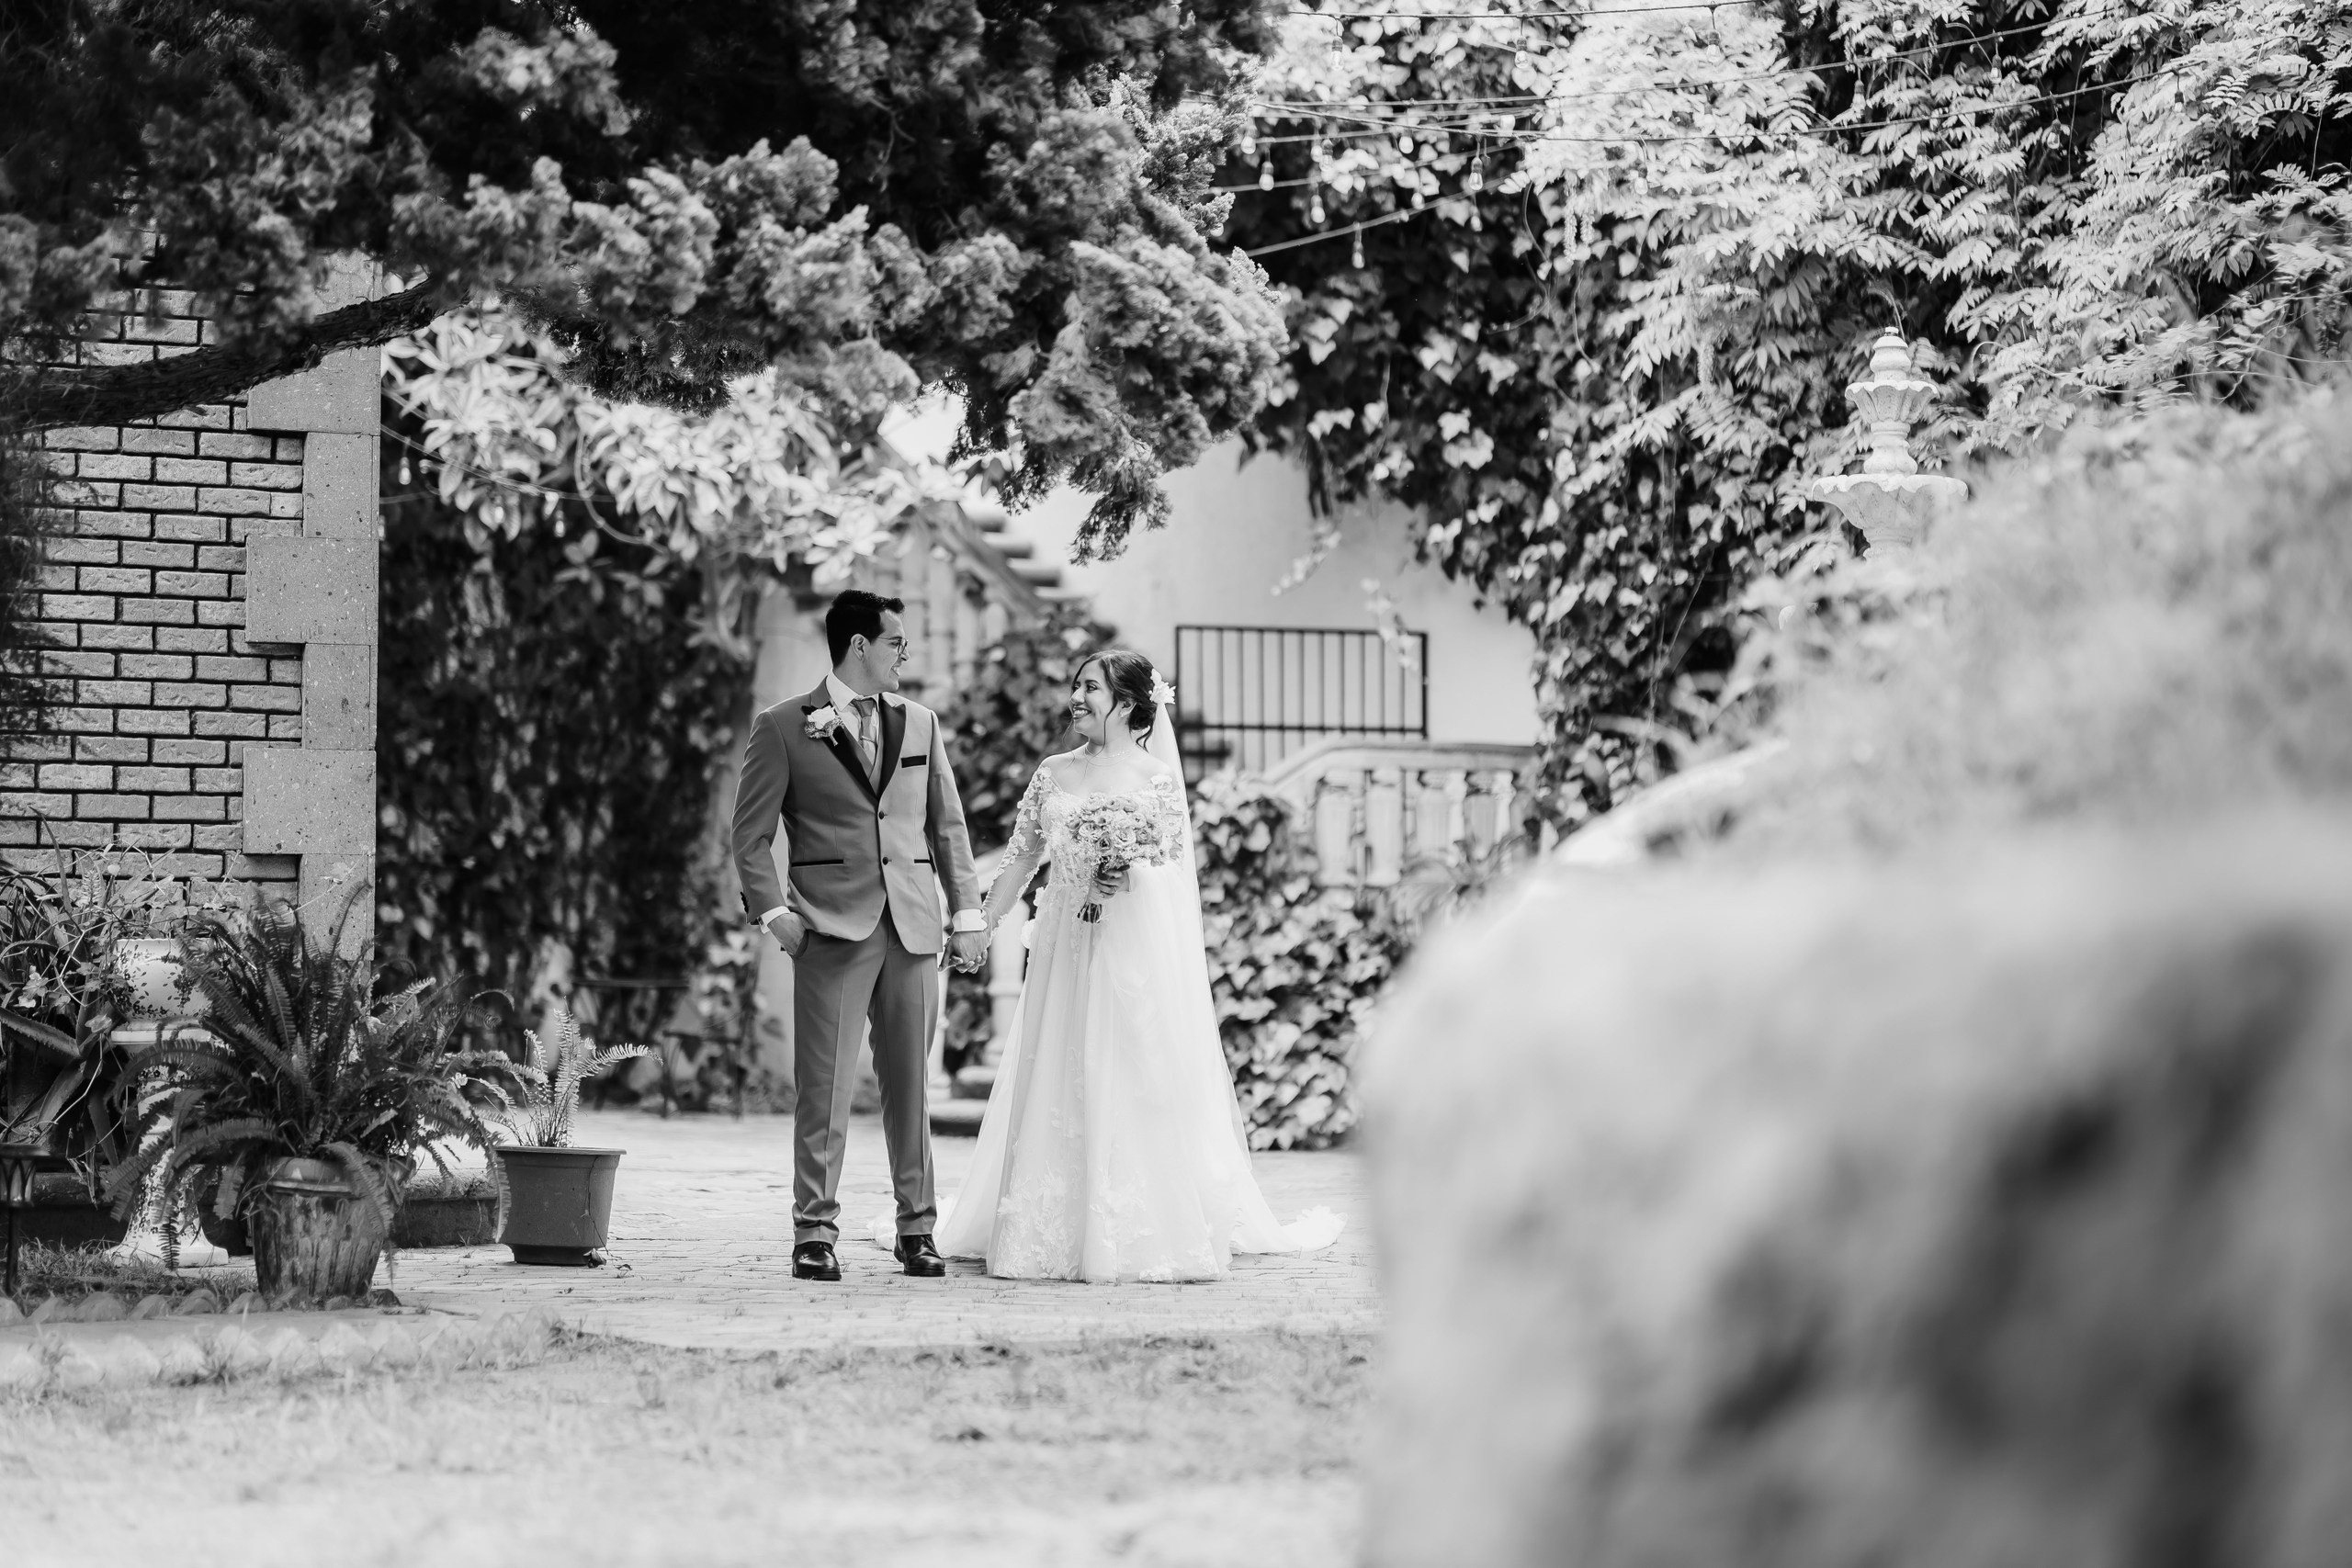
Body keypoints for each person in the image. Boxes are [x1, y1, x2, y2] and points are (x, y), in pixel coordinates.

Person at [925, 648, 1342, 1281]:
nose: (1078, 697)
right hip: (1064, 952)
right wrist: (978, 923)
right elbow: (1020, 861)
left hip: (1127, 956)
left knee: (1125, 1072)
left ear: (1126, 702)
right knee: (1057, 1070)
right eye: (1076, 685)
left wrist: (1129, 873)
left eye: (1091, 687)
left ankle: (1129, 1226)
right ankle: (1045, 1223)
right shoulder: (1053, 772)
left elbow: (1173, 873)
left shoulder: (1155, 777)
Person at [730, 590, 989, 1282]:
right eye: (897, 642)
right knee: (825, 1087)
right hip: (830, 929)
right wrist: (773, 913)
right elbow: (750, 836)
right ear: (860, 647)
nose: (906, 653)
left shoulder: (922, 724)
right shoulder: (784, 726)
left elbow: (949, 829)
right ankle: (814, 1231)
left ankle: (918, 1229)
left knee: (911, 1087)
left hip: (911, 927)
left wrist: (967, 914)